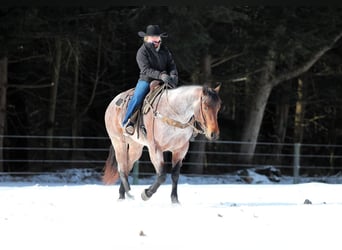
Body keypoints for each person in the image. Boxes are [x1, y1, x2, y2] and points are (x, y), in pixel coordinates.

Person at [122, 24, 179, 135]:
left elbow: (171, 65)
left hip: (165, 80)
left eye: (158, 37)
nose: (156, 39)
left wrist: (173, 75)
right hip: (146, 80)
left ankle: (186, 125)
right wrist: (160, 75)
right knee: (138, 97)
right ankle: (128, 123)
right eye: (153, 37)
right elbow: (145, 69)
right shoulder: (142, 52)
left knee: (179, 97)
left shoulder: (165, 50)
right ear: (147, 38)